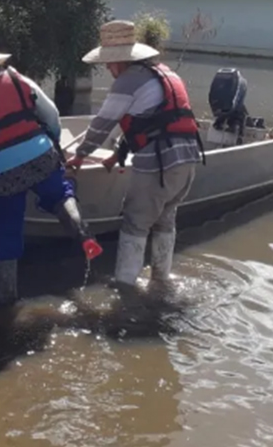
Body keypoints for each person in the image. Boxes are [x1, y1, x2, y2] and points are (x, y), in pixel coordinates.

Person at [0, 37, 102, 305]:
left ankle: (6, 298)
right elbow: (52, 116)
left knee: (6, 228)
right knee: (59, 193)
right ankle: (84, 237)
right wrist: (54, 145)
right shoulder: (17, 78)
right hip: (40, 155)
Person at [65, 20, 203, 289]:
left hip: (159, 165)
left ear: (120, 60)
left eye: (108, 62)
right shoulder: (161, 72)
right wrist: (117, 155)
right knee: (164, 220)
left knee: (135, 223)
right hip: (187, 160)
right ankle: (161, 281)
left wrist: (80, 156)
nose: (107, 68)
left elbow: (101, 125)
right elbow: (149, 123)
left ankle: (125, 290)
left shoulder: (128, 81)